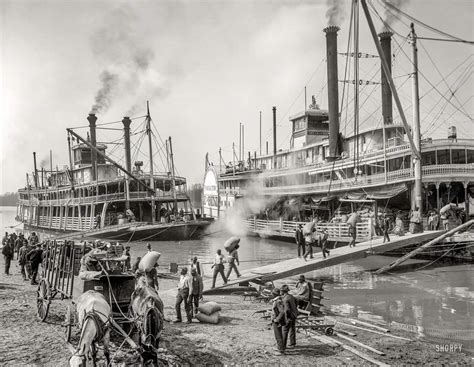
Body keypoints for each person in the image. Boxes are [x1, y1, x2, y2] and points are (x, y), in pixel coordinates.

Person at [280, 284, 298, 350]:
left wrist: (286, 318)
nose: (280, 292)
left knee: (284, 330)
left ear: (283, 292)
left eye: (281, 291)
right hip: (294, 315)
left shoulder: (285, 299)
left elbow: (287, 309)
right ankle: (293, 343)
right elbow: (296, 301)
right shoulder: (291, 296)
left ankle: (283, 346)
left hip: (289, 316)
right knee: (292, 329)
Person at [270, 288, 285, 355]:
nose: (271, 294)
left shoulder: (278, 301)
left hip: (277, 321)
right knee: (278, 335)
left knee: (278, 335)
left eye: (272, 293)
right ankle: (280, 347)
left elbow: (282, 312)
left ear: (274, 294)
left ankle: (281, 350)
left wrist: (277, 320)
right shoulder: (276, 300)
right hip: (275, 319)